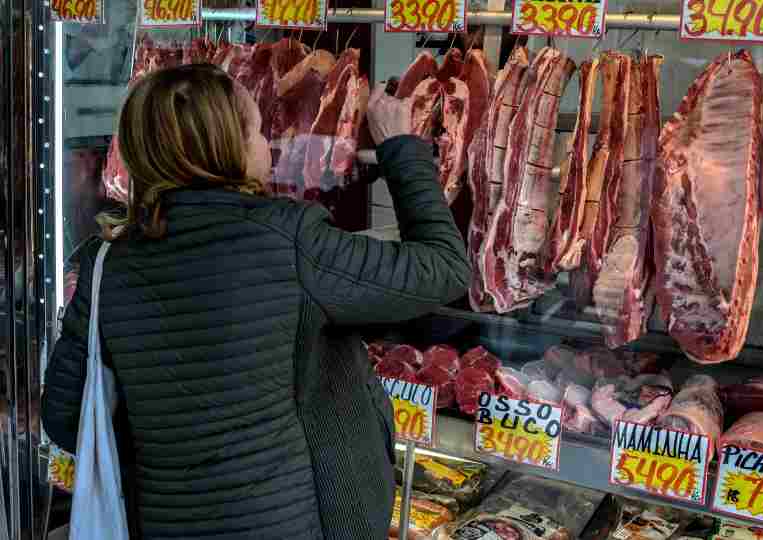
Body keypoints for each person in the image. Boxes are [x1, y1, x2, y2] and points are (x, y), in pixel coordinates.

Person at [40, 63, 470, 539]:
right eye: (254, 130)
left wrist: (171, 452)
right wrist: (401, 150)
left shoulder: (106, 264)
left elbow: (64, 418)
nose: (266, 142)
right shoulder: (288, 238)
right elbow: (443, 268)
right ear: (226, 148)